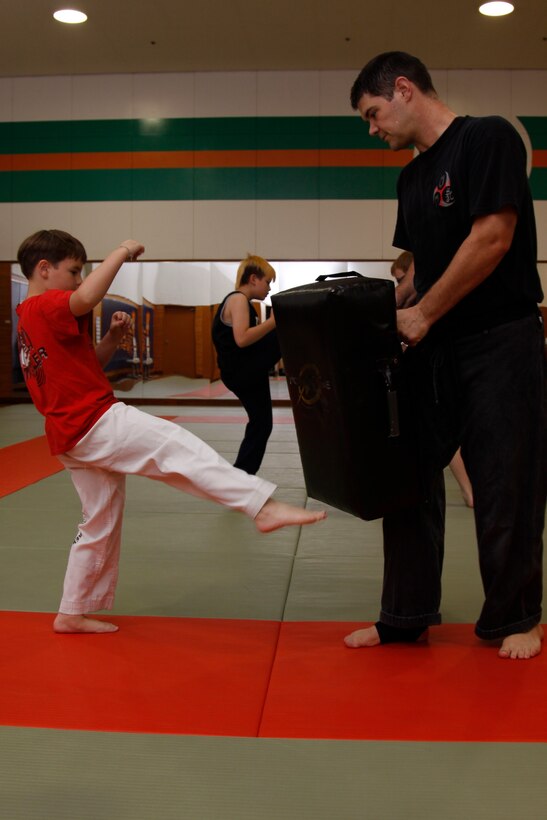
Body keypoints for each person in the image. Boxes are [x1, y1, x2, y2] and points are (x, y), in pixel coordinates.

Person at [16, 230, 326, 634]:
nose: (78, 279)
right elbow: (86, 297)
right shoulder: (42, 306)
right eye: (74, 270)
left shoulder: (29, 319)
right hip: (91, 421)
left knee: (100, 521)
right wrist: (122, 252)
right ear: (44, 269)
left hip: (69, 434)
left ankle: (72, 610)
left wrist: (111, 338)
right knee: (173, 444)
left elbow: (84, 363)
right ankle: (260, 506)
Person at [345, 52, 545, 659]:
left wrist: (423, 313)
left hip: (501, 343)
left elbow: (493, 237)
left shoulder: (486, 139)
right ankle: (404, 616)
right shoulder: (411, 178)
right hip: (436, 350)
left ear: (403, 89)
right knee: (407, 479)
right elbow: (419, 275)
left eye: (373, 114)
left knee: (503, 482)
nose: (372, 129)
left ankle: (516, 618)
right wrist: (373, 315)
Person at [391, 251, 474, 507]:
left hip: (447, 364)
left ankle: (470, 490)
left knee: (447, 436)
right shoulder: (408, 303)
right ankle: (469, 490)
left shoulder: (432, 301)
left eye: (402, 279)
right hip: (423, 367)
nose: (400, 286)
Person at [212, 254, 281, 474]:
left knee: (262, 423)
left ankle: (242, 474)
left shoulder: (244, 303)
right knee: (282, 331)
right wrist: (272, 323)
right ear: (253, 279)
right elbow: (242, 339)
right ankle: (241, 475)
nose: (269, 288)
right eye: (267, 282)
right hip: (242, 370)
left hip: (245, 370)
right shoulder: (238, 300)